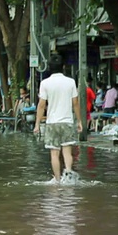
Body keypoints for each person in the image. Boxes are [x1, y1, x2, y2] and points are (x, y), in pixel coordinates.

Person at [33, 54, 82, 184]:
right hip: (67, 121)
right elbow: (75, 103)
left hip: (52, 123)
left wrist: (37, 124)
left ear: (49, 68)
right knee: (67, 152)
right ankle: (69, 175)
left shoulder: (45, 83)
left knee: (54, 154)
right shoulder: (71, 82)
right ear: (64, 67)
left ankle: (57, 180)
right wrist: (80, 121)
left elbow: (41, 105)